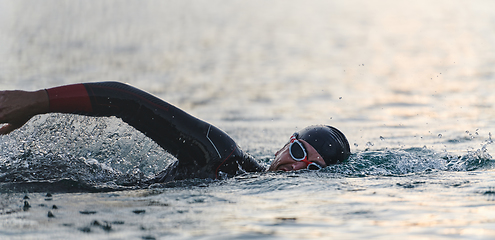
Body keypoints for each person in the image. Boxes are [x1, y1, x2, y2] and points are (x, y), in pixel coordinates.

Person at [0, 82, 351, 183]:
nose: (296, 168)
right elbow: (129, 101)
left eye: (313, 169)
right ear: (285, 146)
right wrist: (37, 101)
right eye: (300, 154)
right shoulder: (222, 156)